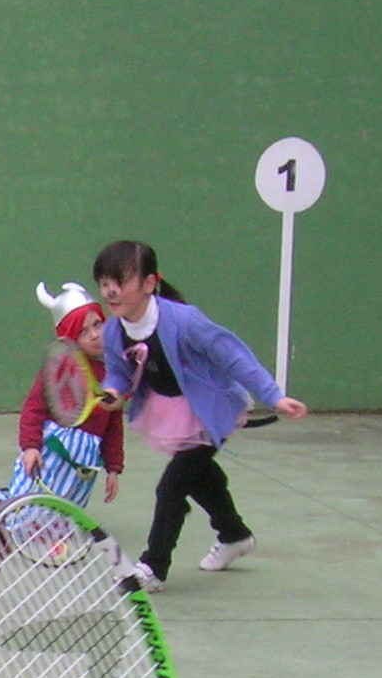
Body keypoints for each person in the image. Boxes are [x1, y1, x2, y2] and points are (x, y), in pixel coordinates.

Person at [90, 239, 307, 590]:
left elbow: (232, 355)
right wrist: (114, 392)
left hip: (210, 409)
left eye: (120, 282)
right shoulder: (114, 330)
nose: (110, 292)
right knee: (199, 475)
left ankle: (153, 567)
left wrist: (274, 397)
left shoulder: (184, 321)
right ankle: (234, 534)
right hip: (168, 409)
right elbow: (118, 372)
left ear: (149, 283)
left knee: (172, 486)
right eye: (103, 283)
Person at [6, 280, 122, 508]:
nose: (95, 335)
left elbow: (114, 424)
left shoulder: (113, 374)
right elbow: (33, 408)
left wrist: (113, 468)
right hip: (53, 454)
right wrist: (31, 447)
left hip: (85, 463)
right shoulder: (59, 369)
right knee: (28, 506)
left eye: (98, 324)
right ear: (69, 338)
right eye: (83, 332)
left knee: (67, 512)